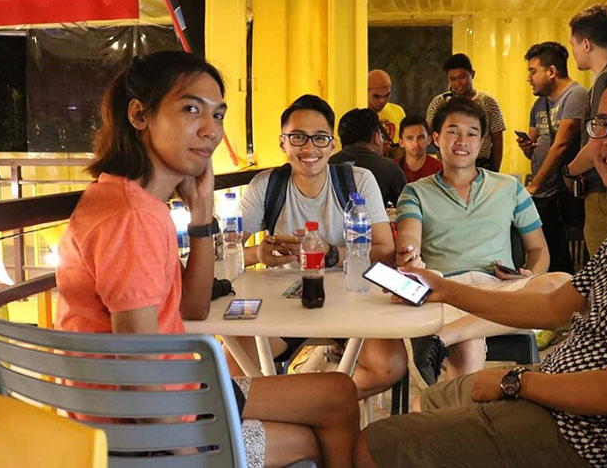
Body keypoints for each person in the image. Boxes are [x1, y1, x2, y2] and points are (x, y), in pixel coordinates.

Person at [355, 64, 607, 468]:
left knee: (372, 443)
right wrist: (444, 288)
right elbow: (554, 307)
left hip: (577, 435)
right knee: (433, 399)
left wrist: (515, 381)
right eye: (603, 124)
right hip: (555, 397)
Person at [54, 51, 359, 467]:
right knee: (314, 437)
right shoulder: (132, 218)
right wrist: (191, 456)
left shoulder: (131, 200)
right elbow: (140, 372)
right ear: (139, 115)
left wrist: (201, 217)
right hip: (142, 430)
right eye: (190, 109)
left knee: (338, 392)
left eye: (217, 115)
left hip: (182, 390)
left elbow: (193, 308)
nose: (210, 130)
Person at [239, 94, 407, 399]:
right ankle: (308, 407)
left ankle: (309, 407)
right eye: (298, 137)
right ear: (282, 142)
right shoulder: (266, 185)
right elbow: (224, 254)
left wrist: (331, 254)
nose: (309, 148)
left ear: (332, 144)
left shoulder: (357, 181)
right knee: (231, 365)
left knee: (389, 365)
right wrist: (256, 253)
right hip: (283, 306)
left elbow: (384, 250)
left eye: (319, 138)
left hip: (350, 302)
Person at [396, 96, 549, 384]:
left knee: (561, 283)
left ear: (481, 142)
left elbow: (539, 248)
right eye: (453, 132)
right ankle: (454, 409)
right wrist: (409, 254)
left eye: (471, 134)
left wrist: (532, 273)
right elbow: (408, 237)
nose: (462, 141)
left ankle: (442, 339)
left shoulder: (509, 187)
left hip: (501, 287)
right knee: (468, 346)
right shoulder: (415, 192)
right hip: (448, 290)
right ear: (436, 138)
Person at [562, 4, 607, 256]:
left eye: (573, 44)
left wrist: (569, 171)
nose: (573, 51)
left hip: (605, 194)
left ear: (586, 44)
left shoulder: (605, 81)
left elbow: (600, 141)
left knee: (604, 269)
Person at [518, 41, 587, 273]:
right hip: (543, 193)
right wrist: (528, 148)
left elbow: (561, 145)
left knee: (560, 256)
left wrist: (533, 186)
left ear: (552, 71)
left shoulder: (576, 96)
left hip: (564, 191)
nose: (529, 78)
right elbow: (535, 145)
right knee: (548, 252)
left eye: (533, 71)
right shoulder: (539, 104)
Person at [425, 53, 506, 172]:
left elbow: (497, 140)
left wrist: (495, 171)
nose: (458, 83)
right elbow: (429, 135)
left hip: (481, 165)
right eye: (452, 79)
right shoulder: (439, 102)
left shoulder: (488, 102)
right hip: (448, 166)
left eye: (461, 77)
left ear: (472, 74)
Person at [330, 107, 407, 205]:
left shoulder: (328, 165)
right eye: (381, 135)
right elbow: (407, 207)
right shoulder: (389, 168)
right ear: (376, 137)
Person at [368, 69, 406, 157]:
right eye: (376, 96)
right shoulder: (359, 116)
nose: (382, 101)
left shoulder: (398, 111)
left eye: (387, 95)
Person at [395, 114, 442, 183]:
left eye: (421, 137)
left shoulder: (439, 170)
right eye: (410, 138)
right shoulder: (393, 169)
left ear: (429, 139)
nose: (415, 143)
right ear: (401, 142)